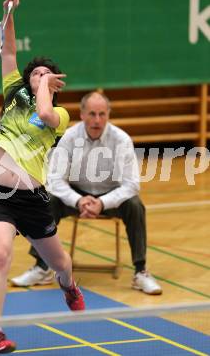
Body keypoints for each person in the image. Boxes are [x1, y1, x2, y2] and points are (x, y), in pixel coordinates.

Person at [0, 0, 85, 355]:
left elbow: (46, 114)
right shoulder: (13, 92)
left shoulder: (61, 115)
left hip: (33, 199)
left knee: (60, 263)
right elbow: (8, 50)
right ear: (27, 79)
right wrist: (9, 12)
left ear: (54, 82)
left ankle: (67, 284)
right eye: (35, 73)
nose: (39, 76)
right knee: (1, 256)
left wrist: (42, 89)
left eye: (46, 74)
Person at [11, 91, 162, 296]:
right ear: (82, 115)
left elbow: (132, 184)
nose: (97, 120)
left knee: (135, 205)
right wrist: (79, 200)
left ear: (108, 114)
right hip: (77, 192)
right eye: (92, 114)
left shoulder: (121, 140)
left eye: (102, 114)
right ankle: (42, 267)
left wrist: (102, 203)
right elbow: (55, 180)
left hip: (111, 195)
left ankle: (141, 271)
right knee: (48, 202)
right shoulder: (70, 138)